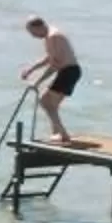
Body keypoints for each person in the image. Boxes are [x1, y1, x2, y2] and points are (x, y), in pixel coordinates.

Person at [20, 16, 84, 146]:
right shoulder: (49, 37)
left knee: (45, 102)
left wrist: (37, 82)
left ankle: (63, 135)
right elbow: (49, 58)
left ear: (39, 27)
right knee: (51, 104)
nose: (33, 36)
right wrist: (31, 69)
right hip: (69, 71)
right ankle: (57, 133)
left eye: (32, 33)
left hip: (69, 71)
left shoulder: (54, 36)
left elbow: (55, 64)